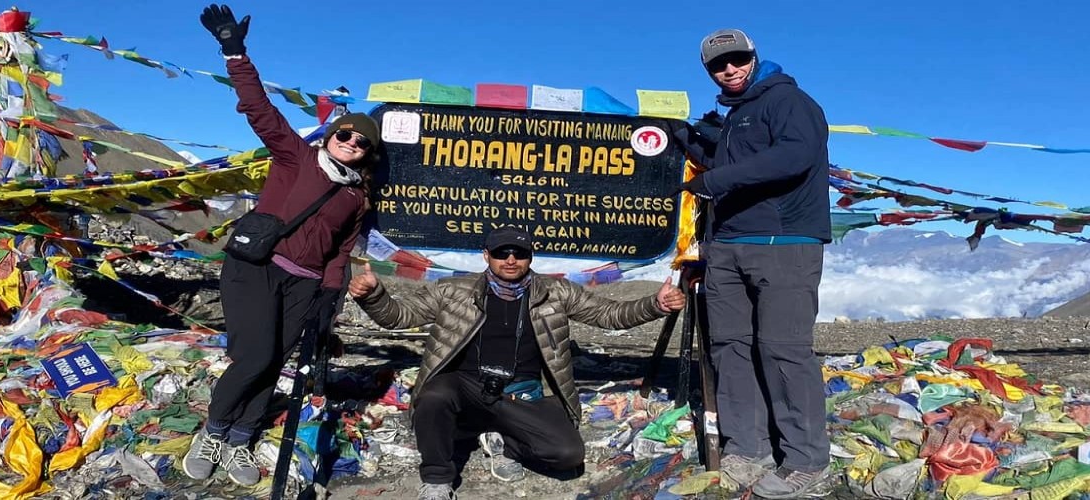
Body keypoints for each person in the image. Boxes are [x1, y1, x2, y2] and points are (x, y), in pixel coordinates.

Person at [183, 4, 379, 486]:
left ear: (368, 153)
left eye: (362, 141)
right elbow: (259, 109)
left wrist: (328, 304)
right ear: (333, 135)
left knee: (275, 361)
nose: (352, 141)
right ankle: (212, 430)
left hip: (306, 287)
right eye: (346, 133)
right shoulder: (296, 156)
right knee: (253, 356)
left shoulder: (357, 196)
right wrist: (234, 51)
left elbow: (340, 252)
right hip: (257, 267)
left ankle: (241, 436)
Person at [349, 227, 686, 500]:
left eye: (519, 253)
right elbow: (399, 316)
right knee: (434, 395)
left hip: (522, 394)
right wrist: (372, 296)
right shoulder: (452, 290)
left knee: (568, 454)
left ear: (530, 257)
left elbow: (609, 315)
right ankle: (437, 479)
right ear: (486, 256)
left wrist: (654, 304)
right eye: (501, 253)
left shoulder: (556, 293)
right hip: (464, 387)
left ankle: (504, 442)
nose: (510, 259)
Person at [674, 29, 835, 499]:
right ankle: (748, 447)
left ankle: (807, 461)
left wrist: (717, 178)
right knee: (730, 346)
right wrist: (685, 140)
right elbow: (735, 165)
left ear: (754, 57)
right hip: (726, 245)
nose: (729, 68)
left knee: (783, 349)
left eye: (737, 58)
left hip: (784, 243)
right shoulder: (736, 116)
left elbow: (793, 156)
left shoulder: (789, 102)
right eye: (718, 65)